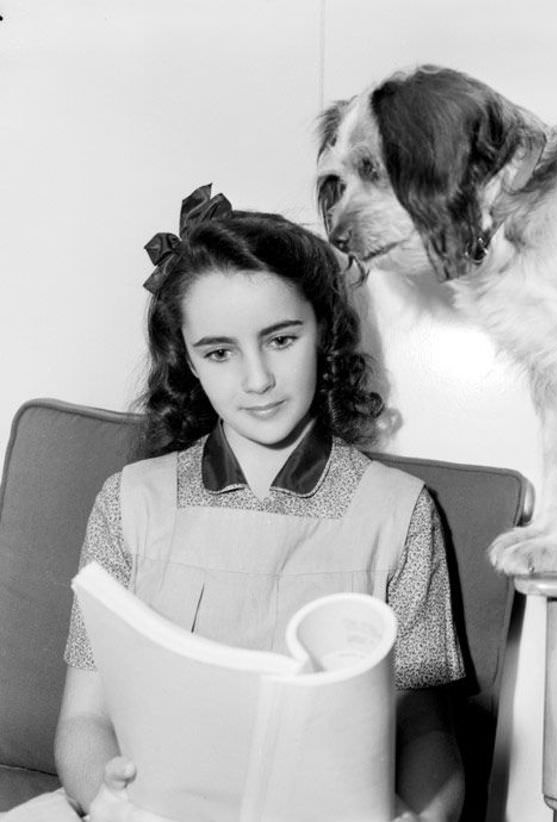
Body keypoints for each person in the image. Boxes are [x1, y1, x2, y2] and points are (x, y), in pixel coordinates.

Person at [49, 185, 465, 822]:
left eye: (280, 339)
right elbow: (83, 718)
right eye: (219, 351)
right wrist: (102, 796)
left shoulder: (401, 512)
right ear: (186, 361)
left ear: (323, 331)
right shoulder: (127, 503)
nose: (257, 380)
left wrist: (420, 814)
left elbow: (425, 731)